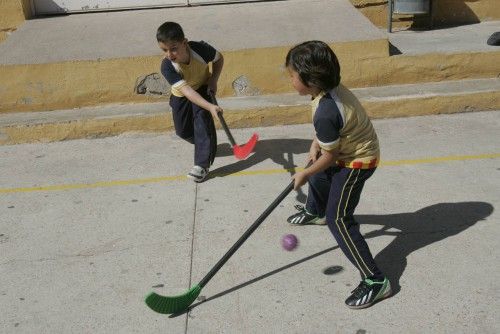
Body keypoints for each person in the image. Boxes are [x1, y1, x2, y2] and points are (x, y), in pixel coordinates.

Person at [285, 40, 391, 309]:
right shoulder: (325, 93)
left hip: (358, 161)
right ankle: (315, 211)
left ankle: (375, 280)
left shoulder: (326, 110)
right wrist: (316, 144)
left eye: (292, 77)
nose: (290, 81)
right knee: (320, 174)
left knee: (340, 219)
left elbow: (331, 155)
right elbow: (329, 134)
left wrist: (304, 174)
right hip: (345, 147)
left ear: (311, 80)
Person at [156, 21, 224, 182]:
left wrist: (213, 80)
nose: (169, 54)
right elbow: (186, 91)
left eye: (173, 48)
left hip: (202, 87)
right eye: (164, 50)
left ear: (184, 43)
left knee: (201, 120)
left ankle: (202, 165)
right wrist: (211, 107)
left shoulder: (200, 49)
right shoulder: (167, 66)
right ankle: (206, 143)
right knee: (182, 131)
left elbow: (219, 59)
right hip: (181, 95)